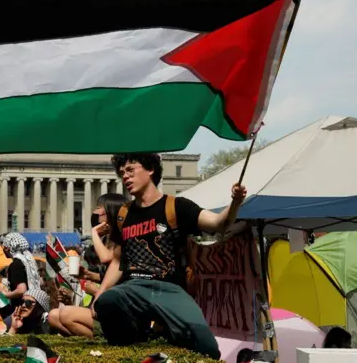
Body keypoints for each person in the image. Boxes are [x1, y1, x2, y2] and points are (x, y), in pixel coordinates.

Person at [92, 153, 247, 360]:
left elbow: (219, 223)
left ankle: (168, 334)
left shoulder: (177, 206)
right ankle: (133, 345)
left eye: (130, 170)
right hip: (133, 286)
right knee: (107, 301)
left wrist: (235, 202)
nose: (125, 177)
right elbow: (118, 260)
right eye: (122, 173)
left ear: (150, 170)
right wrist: (100, 292)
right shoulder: (123, 214)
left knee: (207, 347)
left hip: (170, 288)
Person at [47, 193, 127, 338]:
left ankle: (108, 339)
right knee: (53, 316)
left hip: (119, 308)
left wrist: (94, 233)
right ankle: (96, 338)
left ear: (111, 212)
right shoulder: (109, 239)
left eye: (99, 208)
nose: (95, 212)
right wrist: (87, 275)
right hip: (105, 304)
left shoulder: (122, 239)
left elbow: (107, 259)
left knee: (65, 314)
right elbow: (109, 274)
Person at [1, 233, 40, 319]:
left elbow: (21, 290)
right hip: (33, 306)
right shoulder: (28, 261)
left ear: (8, 248)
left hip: (21, 310)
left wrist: (5, 294)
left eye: (4, 247)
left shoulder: (16, 264)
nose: (3, 249)